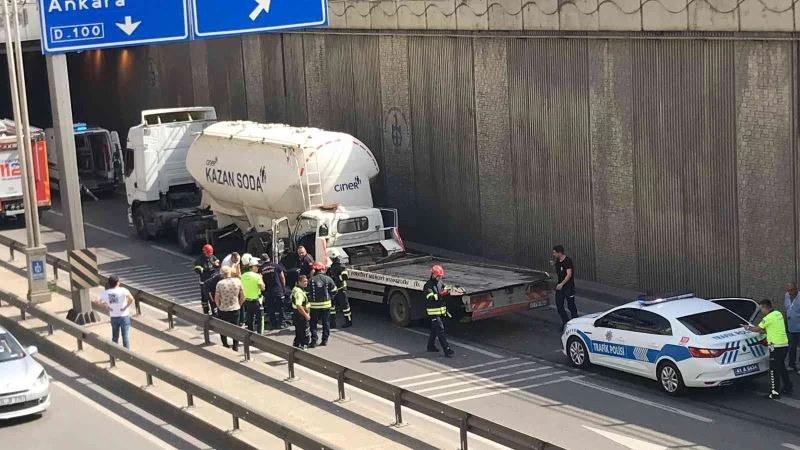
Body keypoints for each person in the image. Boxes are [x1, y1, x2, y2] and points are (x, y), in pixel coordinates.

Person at [744, 299, 792, 399]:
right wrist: (766, 331)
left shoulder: (768, 318)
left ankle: (775, 392)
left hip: (776, 347)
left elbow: (757, 329)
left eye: (761, 309)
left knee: (773, 370)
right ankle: (788, 386)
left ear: (765, 307)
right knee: (782, 367)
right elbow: (774, 328)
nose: (761, 311)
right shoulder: (778, 314)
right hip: (784, 345)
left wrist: (747, 327)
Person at [93, 275, 135, 349]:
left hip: (114, 317)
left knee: (115, 337)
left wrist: (106, 306)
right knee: (125, 337)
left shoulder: (106, 293)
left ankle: (114, 354)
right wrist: (125, 307)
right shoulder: (123, 290)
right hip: (124, 316)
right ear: (118, 283)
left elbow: (96, 300)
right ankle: (127, 354)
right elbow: (131, 299)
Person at [425, 264, 454, 357]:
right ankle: (447, 350)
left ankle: (430, 346)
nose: (440, 277)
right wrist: (441, 294)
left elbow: (445, 288)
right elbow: (431, 298)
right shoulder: (428, 285)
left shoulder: (440, 282)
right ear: (433, 275)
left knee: (435, 329)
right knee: (440, 329)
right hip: (433, 313)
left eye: (441, 276)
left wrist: (448, 290)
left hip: (441, 312)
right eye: (438, 276)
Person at [214, 266, 244, 351]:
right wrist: (240, 304)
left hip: (223, 309)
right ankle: (235, 346)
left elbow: (216, 297)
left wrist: (219, 306)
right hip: (235, 308)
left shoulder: (220, 284)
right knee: (236, 328)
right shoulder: (237, 281)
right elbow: (243, 295)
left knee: (223, 328)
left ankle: (225, 344)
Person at [308, 261, 336, 347]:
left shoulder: (311, 280)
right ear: (322, 269)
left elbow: (306, 293)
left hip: (314, 306)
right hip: (326, 305)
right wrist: (329, 298)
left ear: (314, 270)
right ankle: (325, 340)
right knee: (326, 323)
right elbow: (334, 290)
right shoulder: (328, 279)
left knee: (313, 323)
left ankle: (314, 340)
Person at [552, 245, 577, 331]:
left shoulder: (567, 261)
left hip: (568, 287)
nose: (553, 254)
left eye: (554, 252)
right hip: (560, 286)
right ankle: (565, 322)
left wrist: (562, 284)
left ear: (559, 252)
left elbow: (569, 274)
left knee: (571, 306)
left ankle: (576, 323)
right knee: (559, 305)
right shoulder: (557, 261)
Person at [260, 254, 287, 330]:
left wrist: (263, 291)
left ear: (262, 260)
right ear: (269, 258)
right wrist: (283, 287)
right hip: (278, 290)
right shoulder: (276, 265)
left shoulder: (261, 269)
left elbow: (260, 280)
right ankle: (282, 323)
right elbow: (282, 277)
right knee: (281, 307)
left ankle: (273, 324)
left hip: (268, 291)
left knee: (270, 308)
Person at [241, 258, 266, 335]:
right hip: (256, 300)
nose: (258, 268)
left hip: (247, 301)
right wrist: (261, 279)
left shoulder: (243, 276)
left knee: (249, 318)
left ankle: (250, 334)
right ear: (251, 267)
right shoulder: (257, 276)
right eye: (256, 266)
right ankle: (260, 335)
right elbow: (262, 288)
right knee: (260, 319)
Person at [193, 244, 220, 316]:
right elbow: (197, 269)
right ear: (205, 252)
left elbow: (216, 261)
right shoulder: (200, 260)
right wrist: (202, 269)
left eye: (211, 253)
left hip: (212, 281)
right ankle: (206, 312)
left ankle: (215, 312)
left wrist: (216, 263)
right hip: (204, 282)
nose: (210, 255)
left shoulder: (212, 257)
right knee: (205, 298)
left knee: (213, 297)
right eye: (209, 253)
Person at [328, 256, 352, 328]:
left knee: (344, 306)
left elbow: (345, 277)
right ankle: (333, 323)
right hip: (335, 289)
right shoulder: (334, 266)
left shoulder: (340, 266)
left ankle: (348, 321)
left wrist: (334, 278)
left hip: (341, 289)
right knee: (333, 307)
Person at [292, 275, 312, 349]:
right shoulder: (299, 292)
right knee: (305, 333)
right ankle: (304, 347)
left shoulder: (296, 289)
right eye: (304, 281)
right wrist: (306, 315)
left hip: (297, 314)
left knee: (298, 332)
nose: (306, 283)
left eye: (306, 281)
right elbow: (299, 306)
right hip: (301, 315)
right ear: (299, 282)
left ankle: (296, 346)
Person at [785, 283, 800, 372]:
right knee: (792, 347)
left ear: (796, 289)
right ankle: (791, 365)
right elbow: (787, 308)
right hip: (791, 326)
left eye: (792, 290)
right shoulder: (786, 295)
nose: (790, 293)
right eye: (788, 290)